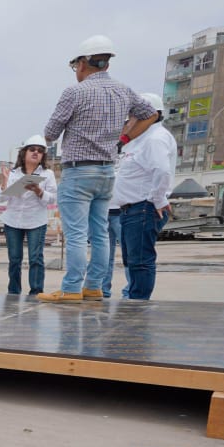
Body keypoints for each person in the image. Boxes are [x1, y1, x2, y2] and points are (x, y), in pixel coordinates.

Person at [38, 35, 158, 302]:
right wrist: (124, 138)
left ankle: (70, 288)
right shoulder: (123, 91)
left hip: (79, 171)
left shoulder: (74, 92)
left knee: (77, 233)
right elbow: (151, 114)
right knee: (100, 234)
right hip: (107, 172)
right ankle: (93, 286)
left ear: (82, 63)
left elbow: (50, 132)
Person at [111, 92, 176, 300]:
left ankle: (138, 305)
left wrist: (157, 199)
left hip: (143, 207)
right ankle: (134, 298)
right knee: (133, 261)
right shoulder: (140, 140)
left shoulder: (155, 138)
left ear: (151, 115)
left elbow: (162, 170)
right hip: (132, 209)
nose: (129, 122)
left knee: (140, 261)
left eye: (132, 116)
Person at [0, 135, 57, 296]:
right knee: (15, 259)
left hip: (36, 221)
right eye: (32, 149)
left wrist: (39, 191)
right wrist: (5, 181)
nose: (36, 153)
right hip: (13, 221)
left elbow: (52, 198)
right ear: (24, 153)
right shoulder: (13, 173)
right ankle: (14, 292)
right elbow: (1, 198)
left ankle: (36, 291)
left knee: (35, 258)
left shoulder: (48, 174)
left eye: (40, 151)